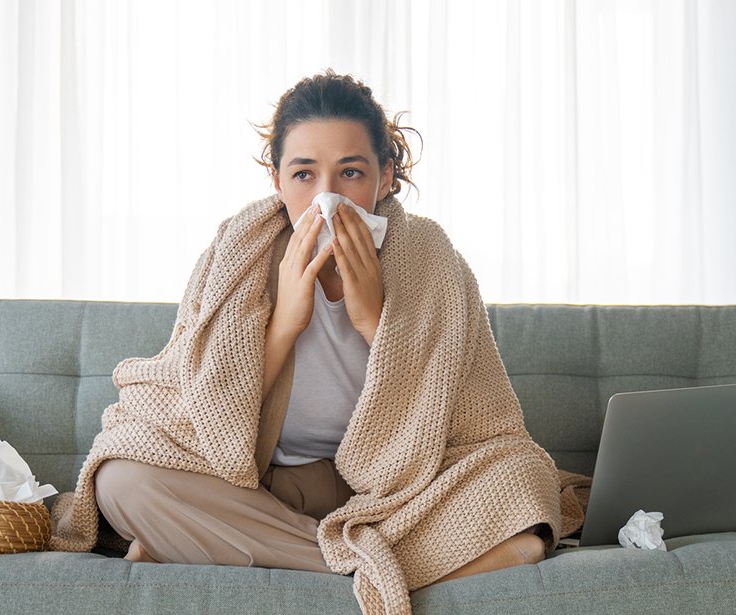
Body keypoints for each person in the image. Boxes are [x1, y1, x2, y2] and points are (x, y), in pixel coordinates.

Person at [90, 70, 548, 584]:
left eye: (350, 173)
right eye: (304, 174)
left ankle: (213, 545)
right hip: (267, 487)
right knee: (122, 480)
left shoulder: (431, 259)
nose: (327, 197)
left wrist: (374, 319)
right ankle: (385, 568)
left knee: (522, 478)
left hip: (397, 489)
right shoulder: (238, 252)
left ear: (387, 175)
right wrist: (285, 323)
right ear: (277, 179)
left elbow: (473, 419)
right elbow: (206, 416)